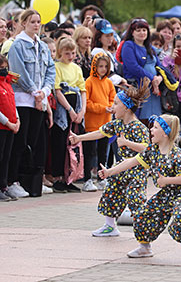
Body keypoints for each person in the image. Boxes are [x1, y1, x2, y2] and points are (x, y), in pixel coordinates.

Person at [98, 114, 181, 263]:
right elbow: (131, 161)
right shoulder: (152, 150)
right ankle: (145, 248)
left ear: (165, 133)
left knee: (180, 218)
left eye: (155, 127)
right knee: (141, 216)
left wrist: (166, 180)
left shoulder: (176, 154)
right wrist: (109, 172)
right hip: (165, 194)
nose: (151, 130)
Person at [70, 80, 150, 236]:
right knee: (111, 192)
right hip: (120, 167)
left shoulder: (139, 127)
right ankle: (110, 226)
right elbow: (100, 133)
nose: (112, 107)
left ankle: (144, 231)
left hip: (137, 168)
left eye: (116, 104)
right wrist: (79, 138)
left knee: (136, 199)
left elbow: (147, 149)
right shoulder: (117, 123)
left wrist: (127, 143)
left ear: (126, 107)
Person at [7, 9, 56, 198]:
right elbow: (18, 71)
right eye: (32, 21)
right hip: (23, 100)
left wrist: (44, 91)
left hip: (39, 100)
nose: (36, 25)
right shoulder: (18, 45)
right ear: (24, 23)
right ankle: (14, 180)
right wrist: (33, 91)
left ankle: (31, 179)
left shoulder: (42, 46)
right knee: (20, 141)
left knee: (35, 141)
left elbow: (50, 70)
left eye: (38, 22)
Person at [49, 37, 86, 193]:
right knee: (59, 142)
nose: (70, 56)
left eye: (72, 53)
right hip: (64, 107)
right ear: (60, 53)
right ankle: (57, 176)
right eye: (66, 53)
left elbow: (82, 89)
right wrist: (70, 110)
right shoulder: (57, 67)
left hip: (75, 103)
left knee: (72, 143)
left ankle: (70, 175)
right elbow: (57, 91)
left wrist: (82, 110)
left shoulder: (76, 68)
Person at [121, 18, 174, 125]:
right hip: (137, 89)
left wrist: (159, 78)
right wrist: (152, 78)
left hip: (153, 91)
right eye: (138, 30)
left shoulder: (150, 48)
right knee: (138, 121)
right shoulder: (128, 45)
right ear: (132, 32)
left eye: (144, 30)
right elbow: (133, 67)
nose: (142, 33)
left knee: (153, 122)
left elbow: (159, 66)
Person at [81, 53, 116, 192]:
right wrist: (103, 108)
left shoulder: (108, 82)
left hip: (105, 123)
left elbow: (113, 98)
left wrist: (112, 107)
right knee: (89, 152)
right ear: (94, 66)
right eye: (100, 66)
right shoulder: (89, 81)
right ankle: (87, 179)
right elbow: (87, 103)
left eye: (105, 66)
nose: (103, 69)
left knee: (103, 153)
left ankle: (102, 178)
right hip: (92, 123)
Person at [0, 55, 20, 201]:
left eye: (5, 67)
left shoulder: (8, 84)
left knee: (6, 158)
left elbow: (13, 104)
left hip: (11, 127)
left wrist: (17, 120)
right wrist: (8, 122)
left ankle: (4, 185)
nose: (4, 70)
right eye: (1, 68)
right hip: (3, 126)